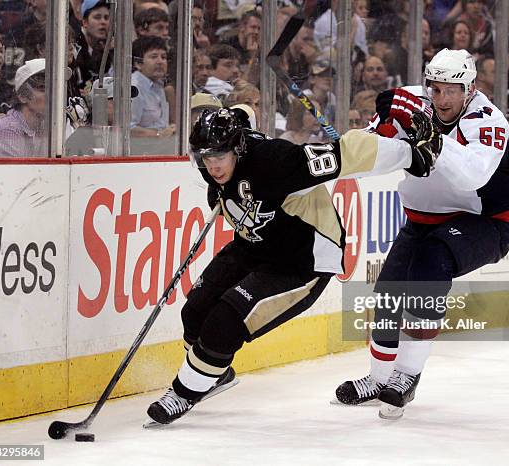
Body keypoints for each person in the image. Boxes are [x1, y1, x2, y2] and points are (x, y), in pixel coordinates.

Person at [145, 102, 443, 425]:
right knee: (195, 311)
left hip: (302, 261)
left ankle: (183, 393)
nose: (213, 166)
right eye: (206, 157)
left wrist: (410, 154)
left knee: (225, 320)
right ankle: (215, 374)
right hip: (255, 246)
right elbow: (244, 112)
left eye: (219, 156)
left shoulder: (278, 162)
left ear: (237, 148)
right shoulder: (219, 161)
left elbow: (348, 153)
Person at [334, 49, 509, 420]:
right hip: (425, 218)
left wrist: (428, 135)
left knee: (429, 266)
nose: (441, 99)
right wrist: (349, 156)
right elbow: (384, 152)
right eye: (435, 89)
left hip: (488, 220)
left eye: (451, 90)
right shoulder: (413, 103)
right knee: (389, 290)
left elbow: (473, 175)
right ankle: (378, 379)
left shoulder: (488, 119)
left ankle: (406, 376)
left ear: (470, 89)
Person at [0, 59, 48, 157]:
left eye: (54, 87)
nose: (52, 94)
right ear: (23, 96)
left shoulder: (44, 127)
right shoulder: (8, 129)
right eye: (42, 88)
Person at [130, 36, 175, 138]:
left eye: (163, 57)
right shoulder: (133, 87)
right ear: (138, 63)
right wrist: (158, 135)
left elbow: (163, 125)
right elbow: (127, 128)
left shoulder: (159, 86)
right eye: (154, 57)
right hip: (140, 149)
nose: (160, 61)